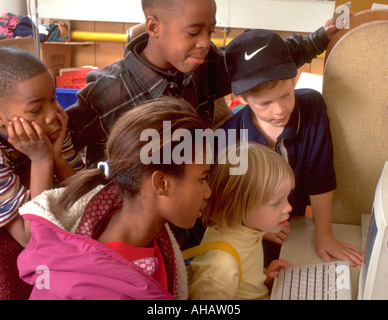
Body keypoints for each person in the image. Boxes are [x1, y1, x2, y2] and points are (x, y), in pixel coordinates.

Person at [66, 0, 339, 169]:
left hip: (197, 216)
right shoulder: (106, 93)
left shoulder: (206, 65)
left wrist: (319, 38)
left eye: (210, 31)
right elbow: (57, 142)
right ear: (153, 27)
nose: (205, 42)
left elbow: (264, 61)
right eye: (193, 32)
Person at [17, 97, 212, 300]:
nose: (208, 192)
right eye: (202, 179)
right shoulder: (92, 290)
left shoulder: (149, 239)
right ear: (161, 183)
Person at [220, 29, 363, 267]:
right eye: (265, 103)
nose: (279, 110)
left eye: (286, 95)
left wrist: (324, 235)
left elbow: (320, 176)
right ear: (241, 98)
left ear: (294, 79)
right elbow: (226, 204)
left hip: (294, 226)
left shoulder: (312, 107)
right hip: (248, 239)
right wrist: (256, 229)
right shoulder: (228, 138)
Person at [0, 46, 85, 299]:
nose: (52, 116)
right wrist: (41, 160)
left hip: (53, 250)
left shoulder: (50, 129)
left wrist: (57, 157)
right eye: (36, 110)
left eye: (53, 98)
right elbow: (31, 237)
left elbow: (84, 196)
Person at [187, 142, 294, 300]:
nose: (289, 207)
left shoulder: (248, 228)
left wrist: (262, 279)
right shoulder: (219, 269)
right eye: (277, 202)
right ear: (240, 207)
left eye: (287, 197)